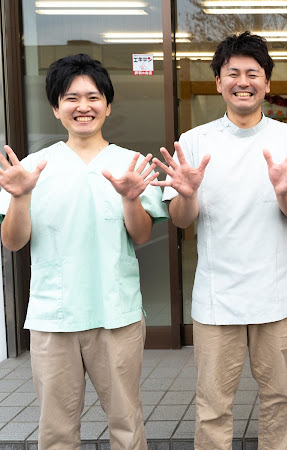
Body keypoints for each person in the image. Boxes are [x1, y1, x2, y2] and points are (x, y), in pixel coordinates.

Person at [152, 31, 287, 450]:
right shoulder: (193, 142)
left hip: (276, 296)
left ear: (267, 83)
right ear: (218, 82)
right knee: (212, 405)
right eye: (233, 73)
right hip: (216, 297)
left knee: (279, 399)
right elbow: (179, 219)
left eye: (253, 74)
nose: (243, 81)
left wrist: (285, 192)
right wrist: (186, 195)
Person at [0, 54, 168, 449]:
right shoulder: (32, 168)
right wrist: (21, 197)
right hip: (53, 316)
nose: (83, 107)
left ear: (108, 105)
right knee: (56, 429)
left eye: (93, 97)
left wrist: (131, 200)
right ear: (56, 109)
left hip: (116, 312)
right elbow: (12, 241)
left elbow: (141, 236)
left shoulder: (131, 164)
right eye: (71, 98)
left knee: (127, 423)